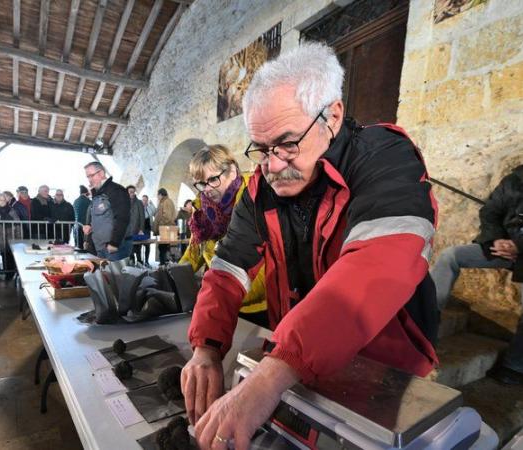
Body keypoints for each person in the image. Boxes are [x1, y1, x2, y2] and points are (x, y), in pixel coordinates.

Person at [182, 41, 440, 449]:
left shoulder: (385, 158)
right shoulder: (258, 188)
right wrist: (206, 348)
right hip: (299, 358)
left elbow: (377, 267)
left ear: (332, 116)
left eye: (287, 144)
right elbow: (228, 266)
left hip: (382, 365)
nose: (273, 166)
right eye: (262, 149)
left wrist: (274, 372)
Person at [431, 165, 523, 385]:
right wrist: (496, 239)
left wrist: (519, 246)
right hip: (503, 247)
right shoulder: (515, 180)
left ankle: (515, 365)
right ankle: (425, 323)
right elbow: (490, 212)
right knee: (450, 256)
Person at [179, 146, 268, 327]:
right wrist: (173, 279)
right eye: (202, 183)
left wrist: (217, 295)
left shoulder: (256, 201)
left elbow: (266, 266)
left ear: (232, 171)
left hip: (257, 309)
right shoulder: (202, 213)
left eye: (213, 179)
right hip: (219, 303)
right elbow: (194, 254)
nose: (207, 189)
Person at [82, 162, 132, 261]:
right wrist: (90, 228)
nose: (89, 180)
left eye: (91, 176)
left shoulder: (116, 190)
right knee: (104, 276)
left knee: (116, 276)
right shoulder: (98, 193)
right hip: (101, 248)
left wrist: (114, 243)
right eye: (88, 177)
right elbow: (101, 218)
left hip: (113, 249)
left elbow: (122, 217)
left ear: (101, 173)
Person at [0, 193, 21, 279]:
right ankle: (8, 274)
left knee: (12, 254)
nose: (1, 202)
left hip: (12, 234)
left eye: (3, 200)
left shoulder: (11, 210)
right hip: (0, 235)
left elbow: (17, 222)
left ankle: (12, 272)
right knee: (4, 254)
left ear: (6, 201)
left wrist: (18, 235)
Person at [153, 188, 176, 264]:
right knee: (163, 248)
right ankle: (164, 264)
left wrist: (160, 224)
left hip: (166, 228)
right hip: (165, 228)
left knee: (163, 248)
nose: (157, 197)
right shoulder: (165, 201)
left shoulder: (166, 202)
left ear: (161, 194)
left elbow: (167, 216)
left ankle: (163, 265)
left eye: (158, 195)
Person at [126, 185, 145, 264]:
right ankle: (132, 265)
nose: (132, 194)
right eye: (130, 192)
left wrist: (141, 229)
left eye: (133, 192)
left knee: (138, 250)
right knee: (129, 251)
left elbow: (142, 217)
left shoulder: (139, 202)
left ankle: (140, 264)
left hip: (137, 230)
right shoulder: (124, 202)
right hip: (127, 231)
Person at [137, 194, 156, 265]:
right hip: (140, 230)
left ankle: (147, 261)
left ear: (147, 201)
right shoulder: (138, 208)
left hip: (147, 229)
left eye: (145, 200)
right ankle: (139, 261)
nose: (144, 201)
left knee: (147, 245)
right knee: (139, 245)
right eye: (143, 200)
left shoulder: (149, 208)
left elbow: (155, 211)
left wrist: (151, 203)